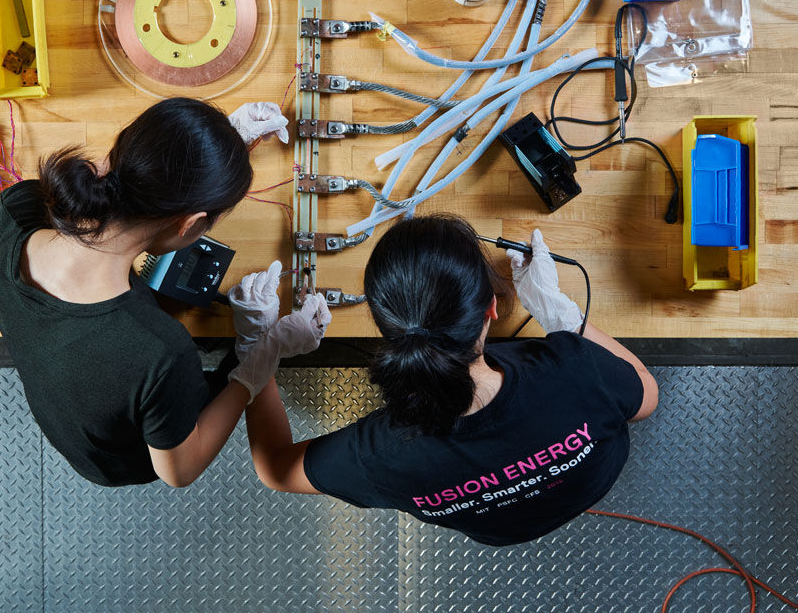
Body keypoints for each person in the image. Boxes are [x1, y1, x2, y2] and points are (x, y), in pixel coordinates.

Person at [243, 214, 658, 546]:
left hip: (500, 528)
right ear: (492, 308)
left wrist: (259, 350)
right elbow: (647, 396)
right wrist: (558, 312)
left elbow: (275, 469)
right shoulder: (574, 370)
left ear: (389, 331)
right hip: (593, 480)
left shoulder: (385, 454)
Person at [0, 97, 329, 489]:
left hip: (65, 394)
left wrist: (214, 150)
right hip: (113, 457)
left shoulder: (14, 209)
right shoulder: (158, 351)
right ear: (192, 224)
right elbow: (178, 472)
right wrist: (255, 364)